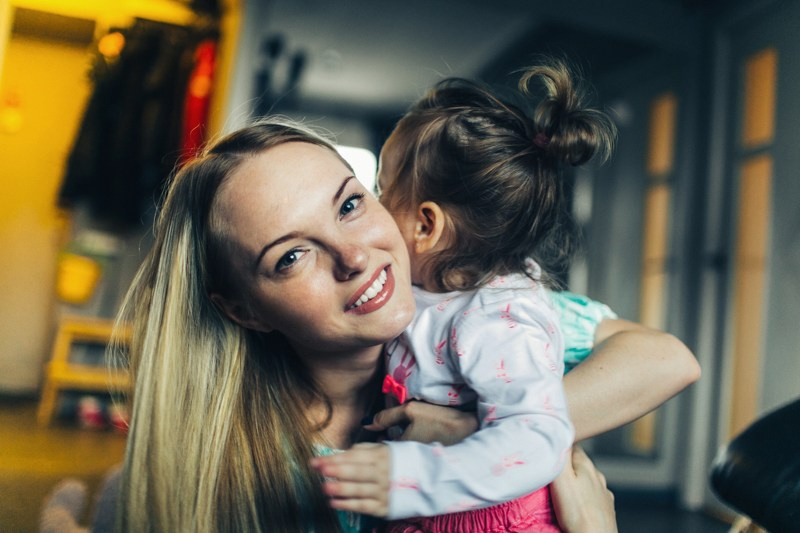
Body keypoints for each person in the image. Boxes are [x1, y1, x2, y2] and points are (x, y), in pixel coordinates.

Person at [112, 115, 697, 532]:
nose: (354, 256)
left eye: (349, 204)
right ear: (242, 310)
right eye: (291, 256)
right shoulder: (244, 468)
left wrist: (476, 431)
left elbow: (667, 358)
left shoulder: (469, 305)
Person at [309, 59, 697, 531]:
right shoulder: (423, 291)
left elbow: (537, 435)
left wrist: (416, 475)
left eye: (382, 189)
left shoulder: (497, 319)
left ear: (426, 226)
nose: (374, 206)